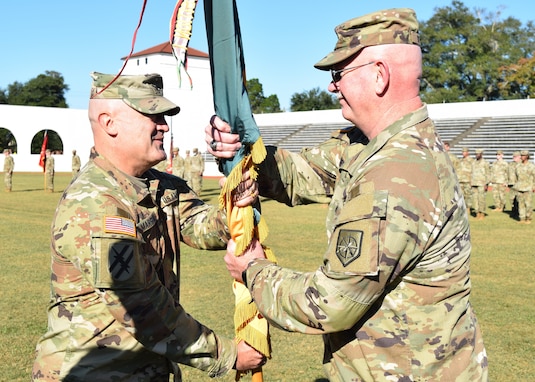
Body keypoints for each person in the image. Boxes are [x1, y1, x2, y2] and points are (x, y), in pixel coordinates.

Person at [209, 8, 488, 381]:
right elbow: (300, 174)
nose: (331, 85)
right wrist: (242, 152)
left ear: (379, 75)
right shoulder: (368, 145)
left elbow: (329, 304)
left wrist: (254, 271)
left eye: (338, 74)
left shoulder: (396, 175)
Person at [31, 72, 264, 381]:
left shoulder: (162, 186)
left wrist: (237, 202)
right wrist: (229, 354)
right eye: (152, 115)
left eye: (164, 116)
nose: (164, 126)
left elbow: (204, 227)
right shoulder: (95, 203)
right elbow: (142, 308)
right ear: (109, 122)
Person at [514, 150, 535, 224]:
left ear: (527, 157)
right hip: (520, 187)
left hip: (528, 187)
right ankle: (522, 218)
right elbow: (516, 176)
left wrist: (534, 186)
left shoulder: (531, 166)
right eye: (521, 155)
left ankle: (528, 218)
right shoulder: (518, 166)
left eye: (523, 155)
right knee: (521, 204)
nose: (522, 157)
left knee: (528, 204)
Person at [471, 148, 490, 219]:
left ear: (481, 154)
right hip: (474, 183)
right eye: (476, 154)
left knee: (481, 199)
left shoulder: (485, 163)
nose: (477, 155)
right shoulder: (473, 163)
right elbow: (472, 173)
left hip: (482, 183)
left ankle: (482, 213)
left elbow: (488, 174)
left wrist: (486, 183)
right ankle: (477, 212)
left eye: (478, 154)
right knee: (475, 199)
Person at [457, 147, 473, 214]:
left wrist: (472, 180)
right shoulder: (460, 160)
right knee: (461, 195)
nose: (463, 153)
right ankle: (462, 208)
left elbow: (473, 170)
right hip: (461, 180)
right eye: (462, 152)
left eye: (465, 152)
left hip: (467, 180)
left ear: (467, 152)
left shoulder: (471, 161)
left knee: (468, 195)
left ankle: (468, 208)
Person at [508, 150, 521, 218]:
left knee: (519, 199)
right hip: (511, 184)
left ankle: (520, 212)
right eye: (513, 156)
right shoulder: (511, 164)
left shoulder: (521, 164)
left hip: (519, 185)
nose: (514, 158)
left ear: (519, 157)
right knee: (512, 199)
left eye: (515, 156)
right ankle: (514, 211)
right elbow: (507, 173)